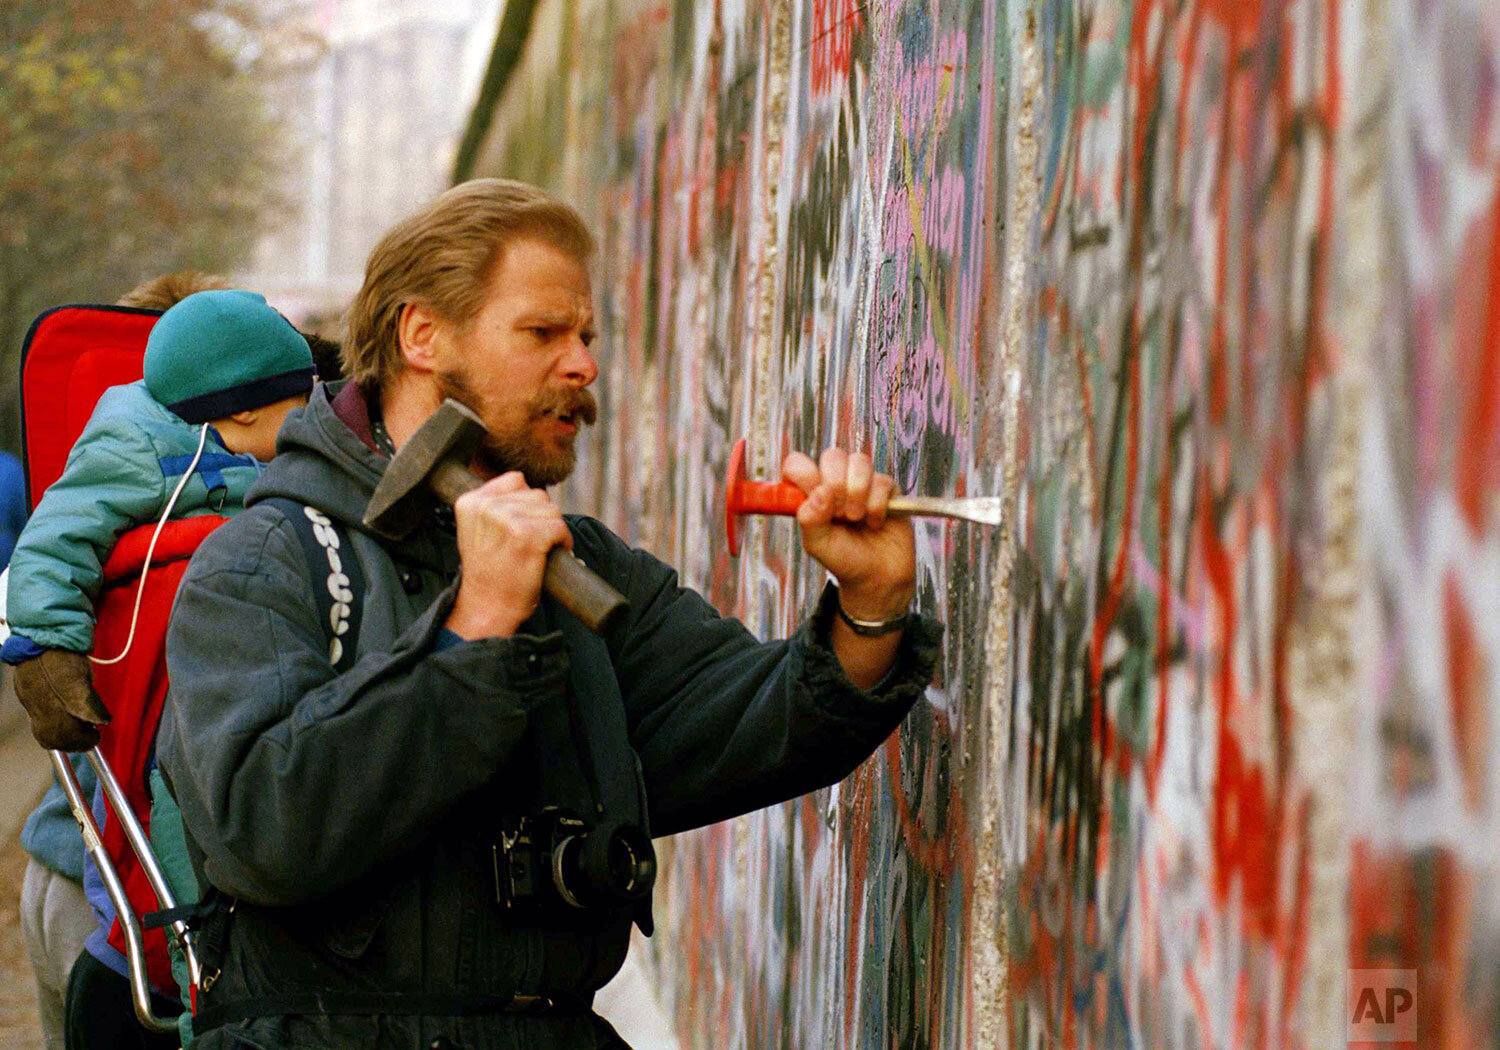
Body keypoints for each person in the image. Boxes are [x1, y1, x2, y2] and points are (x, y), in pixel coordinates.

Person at [156, 178, 941, 1050]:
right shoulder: (266, 560)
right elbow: (266, 835)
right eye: (542, 333)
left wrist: (871, 604)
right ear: (423, 335)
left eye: (587, 337)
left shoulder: (580, 566)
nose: (584, 365)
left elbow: (757, 721)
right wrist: (477, 627)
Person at [5, 286, 315, 1049]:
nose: (309, 424)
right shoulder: (133, 445)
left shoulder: (254, 439)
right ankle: (179, 960)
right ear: (239, 410)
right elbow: (52, 543)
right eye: (295, 409)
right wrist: (46, 649)